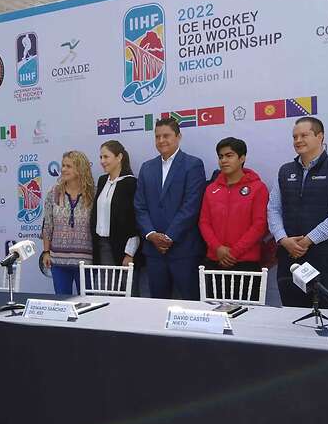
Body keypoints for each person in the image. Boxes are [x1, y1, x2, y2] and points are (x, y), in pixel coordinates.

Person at [267, 116, 328, 309]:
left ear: (320, 137)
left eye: (304, 135)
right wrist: (283, 239)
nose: (298, 140)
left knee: (327, 315)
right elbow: (273, 209)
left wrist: (308, 240)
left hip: (325, 260)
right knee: (292, 317)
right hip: (290, 258)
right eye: (294, 136)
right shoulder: (284, 171)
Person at [134, 117, 206, 300]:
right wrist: (151, 235)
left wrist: (168, 237)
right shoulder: (147, 167)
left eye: (166, 135)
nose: (161, 140)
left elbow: (192, 205)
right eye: (157, 136)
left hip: (184, 251)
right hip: (154, 252)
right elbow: (140, 206)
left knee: (192, 306)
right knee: (157, 307)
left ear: (178, 136)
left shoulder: (193, 164)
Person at [199, 137, 269, 300]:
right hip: (214, 261)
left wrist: (234, 252)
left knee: (247, 315)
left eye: (229, 155)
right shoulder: (211, 189)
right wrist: (218, 248)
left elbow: (260, 225)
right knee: (213, 314)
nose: (223, 160)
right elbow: (204, 222)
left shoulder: (258, 188)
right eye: (220, 156)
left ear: (242, 158)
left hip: (246, 263)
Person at [90, 140, 141, 293]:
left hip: (125, 248)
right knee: (106, 292)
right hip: (103, 246)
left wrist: (130, 253)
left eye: (106, 157)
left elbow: (135, 220)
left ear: (119, 157)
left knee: (129, 293)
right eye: (100, 157)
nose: (102, 161)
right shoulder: (102, 180)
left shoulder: (131, 183)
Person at [42, 150, 94, 294]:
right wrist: (46, 252)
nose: (63, 169)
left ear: (80, 168)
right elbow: (47, 225)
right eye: (63, 165)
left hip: (86, 262)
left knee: (88, 305)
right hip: (58, 261)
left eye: (68, 166)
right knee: (62, 303)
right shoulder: (53, 193)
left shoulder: (92, 194)